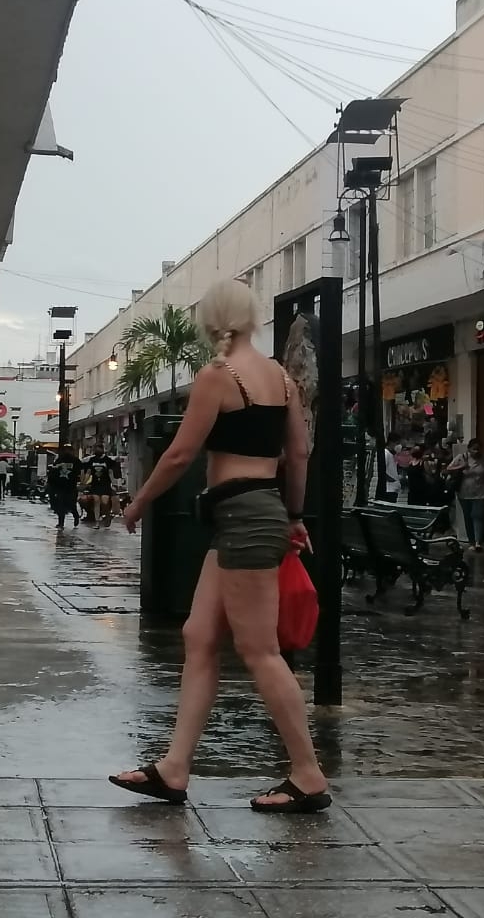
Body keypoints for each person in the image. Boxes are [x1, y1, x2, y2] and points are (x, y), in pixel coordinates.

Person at [110, 279, 331, 814]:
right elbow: (298, 455)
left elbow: (181, 454)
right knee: (200, 634)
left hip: (242, 514)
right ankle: (174, 768)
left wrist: (138, 503)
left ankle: (307, 774)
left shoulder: (217, 376)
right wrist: (294, 515)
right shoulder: (281, 379)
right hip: (252, 511)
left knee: (260, 650)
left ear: (212, 320)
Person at [447, 438, 484, 549]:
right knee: (468, 516)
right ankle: (471, 541)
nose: (476, 451)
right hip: (464, 492)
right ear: (469, 449)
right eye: (474, 449)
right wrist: (461, 467)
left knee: (477, 516)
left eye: (478, 449)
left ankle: (478, 542)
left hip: (480, 492)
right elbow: (448, 468)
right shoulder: (462, 457)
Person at [48, 444, 83, 529]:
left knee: (71, 504)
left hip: (71, 487)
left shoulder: (76, 461)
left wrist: (81, 482)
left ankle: (76, 516)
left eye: (69, 449)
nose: (67, 451)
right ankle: (61, 523)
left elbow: (80, 472)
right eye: (65, 449)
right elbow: (53, 472)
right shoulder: (59, 460)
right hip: (60, 486)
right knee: (60, 505)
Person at [84, 446, 119, 526]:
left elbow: (110, 473)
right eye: (96, 449)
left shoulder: (107, 460)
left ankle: (107, 515)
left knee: (104, 501)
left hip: (105, 484)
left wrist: (114, 484)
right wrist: (84, 482)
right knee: (96, 501)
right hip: (95, 484)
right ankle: (97, 522)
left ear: (103, 450)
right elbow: (88, 472)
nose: (97, 450)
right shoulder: (92, 460)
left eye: (99, 449)